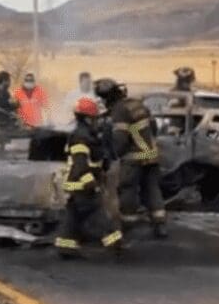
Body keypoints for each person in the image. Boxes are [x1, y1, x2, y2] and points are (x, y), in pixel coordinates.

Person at [94, 78, 169, 239]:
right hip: (152, 155)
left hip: (134, 158)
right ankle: (160, 224)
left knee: (128, 189)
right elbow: (154, 127)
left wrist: (114, 155)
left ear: (108, 97)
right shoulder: (137, 104)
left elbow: (120, 139)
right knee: (152, 188)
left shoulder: (119, 111)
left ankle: (128, 223)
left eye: (103, 98)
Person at [55, 97, 124, 259]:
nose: (97, 121)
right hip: (83, 185)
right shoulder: (81, 137)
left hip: (76, 185)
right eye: (95, 118)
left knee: (73, 216)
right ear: (87, 118)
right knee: (98, 213)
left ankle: (65, 247)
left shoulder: (87, 134)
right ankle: (114, 243)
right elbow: (80, 163)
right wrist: (90, 183)